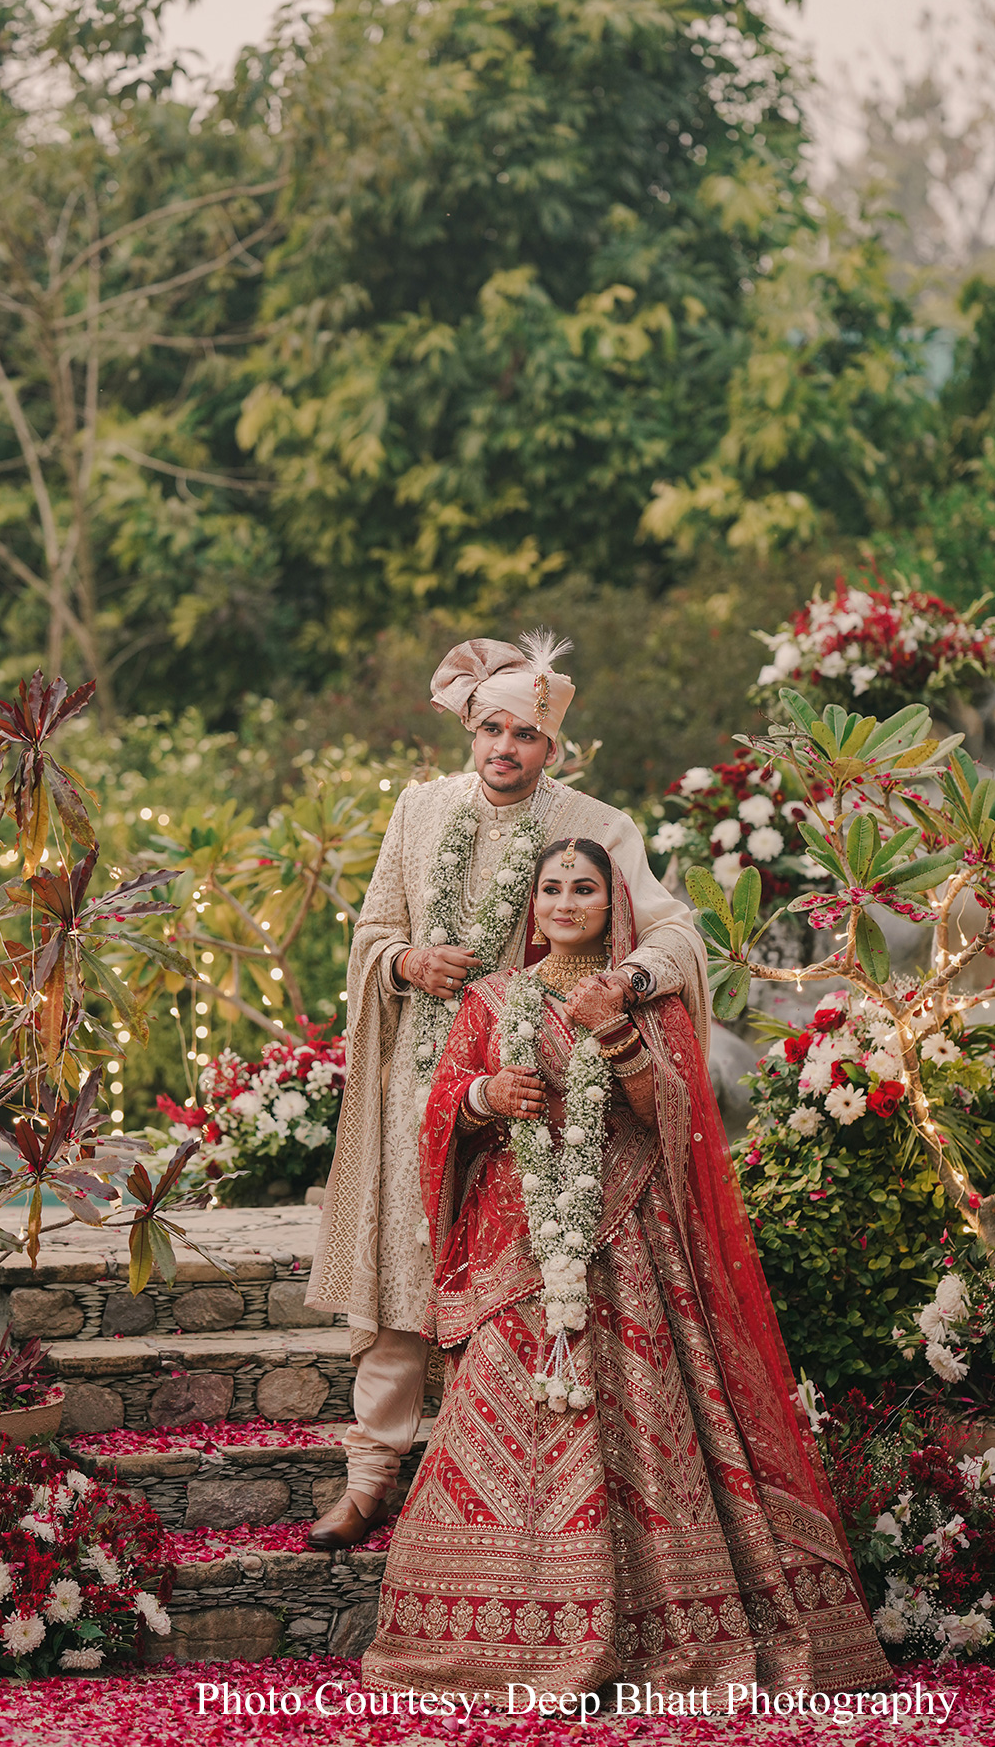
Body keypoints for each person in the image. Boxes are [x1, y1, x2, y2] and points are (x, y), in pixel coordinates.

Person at [360, 839, 889, 1702]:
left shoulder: (645, 998)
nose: (565, 903)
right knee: (498, 1409)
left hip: (634, 1243)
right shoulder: (492, 997)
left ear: (614, 905)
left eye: (584, 889)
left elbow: (675, 1113)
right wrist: (485, 1097)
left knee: (645, 1418)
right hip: (516, 1245)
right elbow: (441, 1105)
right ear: (532, 905)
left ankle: (659, 1624)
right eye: (551, 889)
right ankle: (483, 1632)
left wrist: (616, 1032)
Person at [306, 632, 707, 1549]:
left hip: (541, 1095)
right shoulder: (419, 811)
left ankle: (498, 1487)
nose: (505, 748)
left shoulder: (597, 825)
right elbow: (372, 932)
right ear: (470, 730)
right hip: (422, 1082)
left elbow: (675, 934)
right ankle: (371, 1478)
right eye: (492, 729)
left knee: (512, 1287)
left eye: (525, 734)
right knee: (403, 1272)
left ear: (553, 746)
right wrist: (406, 961)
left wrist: (625, 985)